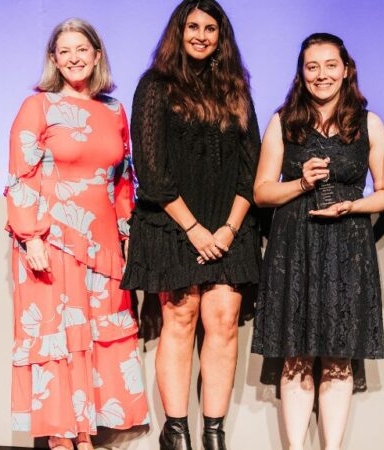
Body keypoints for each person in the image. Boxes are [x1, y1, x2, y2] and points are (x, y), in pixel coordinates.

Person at [120, 1, 261, 449]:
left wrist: (228, 230)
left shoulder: (236, 87)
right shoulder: (155, 85)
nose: (201, 35)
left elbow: (250, 166)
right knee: (180, 317)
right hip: (172, 223)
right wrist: (195, 229)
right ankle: (177, 432)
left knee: (222, 319)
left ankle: (214, 434)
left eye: (210, 28)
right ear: (179, 32)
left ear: (222, 36)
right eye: (193, 26)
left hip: (229, 226)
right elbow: (151, 169)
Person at [5, 18, 149, 450]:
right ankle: (63, 437)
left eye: (81, 50)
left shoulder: (114, 110)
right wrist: (29, 236)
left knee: (97, 333)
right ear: (54, 59)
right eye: (64, 51)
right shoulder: (39, 107)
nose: (73, 58)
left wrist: (129, 238)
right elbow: (20, 175)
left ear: (97, 55)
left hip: (103, 243)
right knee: (60, 336)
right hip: (52, 240)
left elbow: (124, 181)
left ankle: (87, 434)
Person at [251, 33, 384, 450]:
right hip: (294, 248)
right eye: (312, 67)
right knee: (294, 357)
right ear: (301, 72)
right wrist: (300, 182)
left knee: (337, 357)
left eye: (330, 65)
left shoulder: (369, 123)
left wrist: (353, 207)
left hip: (347, 247)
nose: (321, 75)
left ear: (346, 69)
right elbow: (262, 191)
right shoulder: (283, 122)